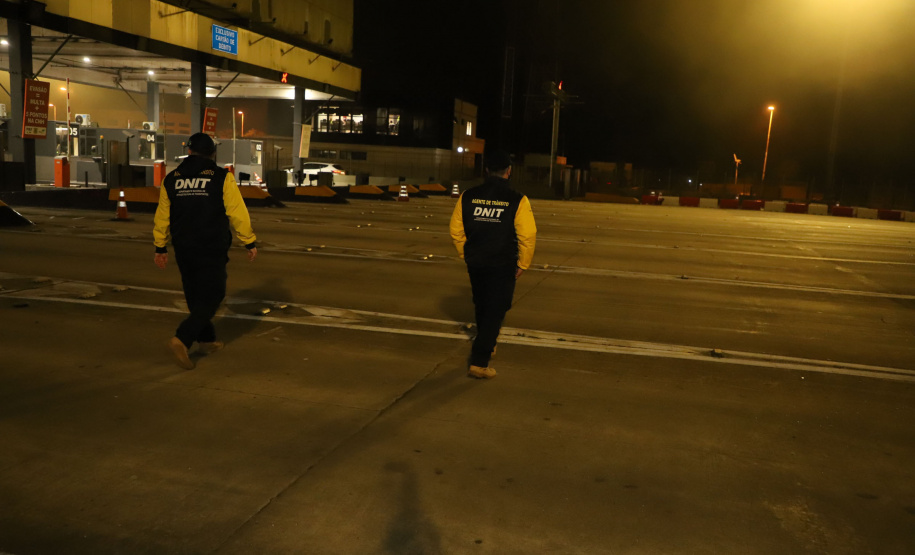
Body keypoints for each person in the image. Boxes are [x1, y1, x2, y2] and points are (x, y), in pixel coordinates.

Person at [153, 132, 258, 369]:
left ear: (189, 151)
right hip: (211, 246)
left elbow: (162, 216)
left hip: (184, 246)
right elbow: (237, 212)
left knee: (195, 295)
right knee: (213, 295)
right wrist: (249, 241)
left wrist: (160, 246)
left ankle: (206, 340)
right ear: (212, 153)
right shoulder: (221, 177)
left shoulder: (171, 179)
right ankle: (182, 338)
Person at [449, 150, 536, 379]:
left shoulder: (467, 196)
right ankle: (479, 362)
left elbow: (456, 230)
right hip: (503, 262)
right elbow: (527, 236)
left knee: (482, 303)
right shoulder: (517, 199)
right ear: (509, 171)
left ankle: (488, 342)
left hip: (476, 261)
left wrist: (466, 253)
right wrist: (523, 263)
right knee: (497, 309)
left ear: (486, 170)